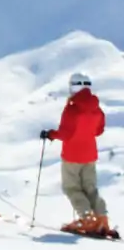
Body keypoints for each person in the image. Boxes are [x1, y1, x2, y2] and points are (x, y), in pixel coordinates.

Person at [44, 74, 110, 238]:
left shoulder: (72, 109)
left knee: (72, 188)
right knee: (91, 188)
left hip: (72, 155)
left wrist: (51, 134)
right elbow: (99, 130)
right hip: (90, 154)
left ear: (74, 87)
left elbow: (65, 134)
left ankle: (87, 219)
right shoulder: (97, 108)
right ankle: (102, 219)